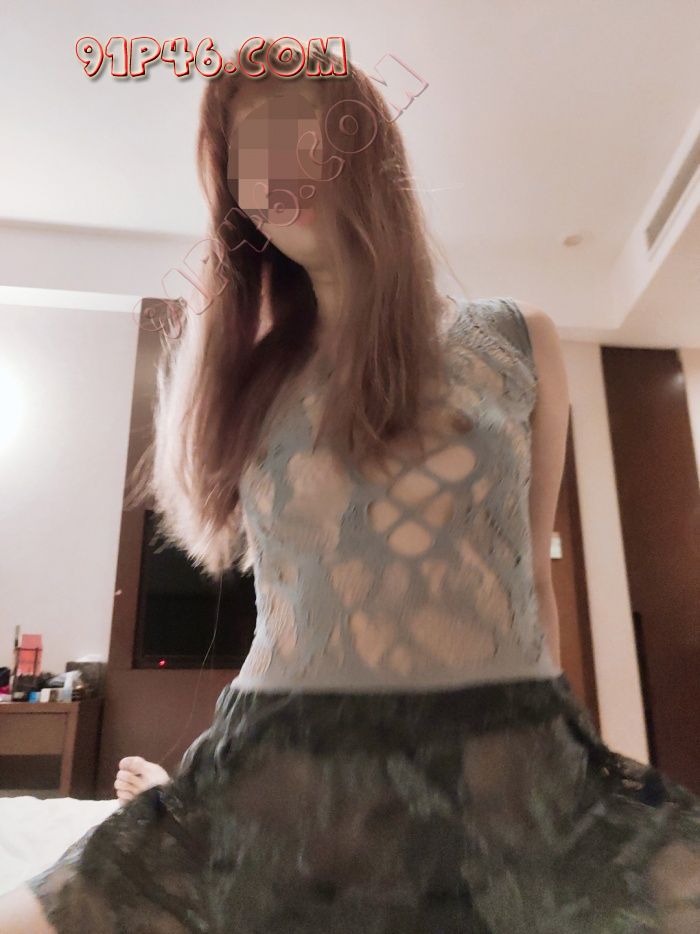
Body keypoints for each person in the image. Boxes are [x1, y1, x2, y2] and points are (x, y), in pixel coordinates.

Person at [2, 38, 699, 934]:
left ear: (360, 143)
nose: (273, 170)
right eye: (246, 155)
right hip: (281, 763)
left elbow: (532, 579)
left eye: (297, 132)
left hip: (508, 756)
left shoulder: (518, 340)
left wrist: (563, 770)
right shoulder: (242, 376)